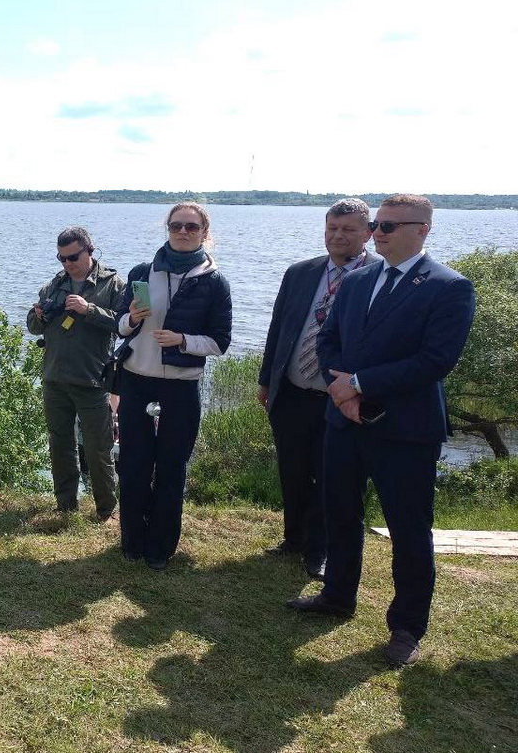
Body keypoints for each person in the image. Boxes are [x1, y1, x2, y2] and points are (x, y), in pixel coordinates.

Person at [287, 194, 475, 667]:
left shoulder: (448, 287)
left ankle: (407, 627)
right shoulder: (358, 280)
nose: (379, 233)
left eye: (389, 226)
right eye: (377, 224)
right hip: (344, 423)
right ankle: (337, 595)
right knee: (340, 512)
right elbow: (328, 339)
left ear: (422, 230)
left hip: (405, 431)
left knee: (409, 530)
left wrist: (360, 385)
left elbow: (436, 360)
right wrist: (340, 389)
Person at [257, 198, 378, 580]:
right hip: (291, 392)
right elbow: (278, 329)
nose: (338, 236)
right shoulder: (300, 272)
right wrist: (265, 381)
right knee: (292, 470)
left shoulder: (379, 276)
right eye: (332, 228)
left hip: (339, 398)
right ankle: (292, 539)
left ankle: (320, 550)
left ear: (368, 233)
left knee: (333, 477)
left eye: (348, 230)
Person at [114, 202, 232, 570]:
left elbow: (220, 341)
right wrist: (131, 318)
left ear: (204, 233)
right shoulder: (141, 273)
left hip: (180, 387)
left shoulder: (214, 282)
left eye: (191, 227)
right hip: (136, 380)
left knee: (171, 468)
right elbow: (117, 327)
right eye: (177, 225)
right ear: (167, 228)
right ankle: (132, 542)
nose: (183, 232)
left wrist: (183, 340)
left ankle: (160, 548)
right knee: (133, 464)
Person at [26, 226, 123, 520]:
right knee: (60, 444)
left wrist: (88, 309)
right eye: (62, 258)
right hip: (55, 377)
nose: (67, 264)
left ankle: (106, 508)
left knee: (98, 448)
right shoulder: (53, 285)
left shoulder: (113, 284)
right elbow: (32, 327)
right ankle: (65, 505)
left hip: (92, 379)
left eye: (73, 257)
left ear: (90, 251)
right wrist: (38, 316)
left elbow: (124, 324)